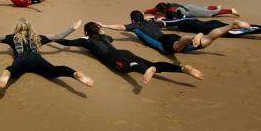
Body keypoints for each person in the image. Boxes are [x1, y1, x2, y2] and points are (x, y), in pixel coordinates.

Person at [56, 21, 203, 85]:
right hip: (123, 52)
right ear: (98, 30)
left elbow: (67, 43)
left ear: (87, 32)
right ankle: (182, 69)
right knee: (151, 64)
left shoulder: (85, 40)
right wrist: (103, 31)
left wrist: (53, 40)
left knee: (127, 67)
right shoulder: (105, 37)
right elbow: (110, 38)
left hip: (113, 57)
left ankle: (147, 70)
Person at [0, 18, 92, 89]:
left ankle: (5, 76)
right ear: (30, 28)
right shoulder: (38, 38)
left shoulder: (11, 38)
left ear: (17, 28)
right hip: (36, 59)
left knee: (12, 70)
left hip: (22, 60)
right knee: (53, 71)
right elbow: (57, 36)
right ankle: (75, 74)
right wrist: (73, 28)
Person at [99, 11, 251, 54]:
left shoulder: (136, 26)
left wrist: (104, 25)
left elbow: (121, 27)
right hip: (171, 36)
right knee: (207, 41)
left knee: (173, 49)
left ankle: (191, 38)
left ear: (132, 20)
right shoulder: (152, 22)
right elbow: (162, 21)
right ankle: (231, 25)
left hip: (165, 42)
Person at [161, 11, 261, 38]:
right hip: (211, 24)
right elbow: (170, 21)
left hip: (209, 27)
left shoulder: (180, 20)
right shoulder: (185, 17)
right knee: (236, 28)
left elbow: (166, 22)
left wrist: (159, 20)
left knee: (235, 32)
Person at [144, 2, 239, 19]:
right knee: (203, 9)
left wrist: (153, 16)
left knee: (209, 14)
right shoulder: (165, 5)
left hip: (190, 12)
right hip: (188, 6)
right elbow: (152, 10)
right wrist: (145, 12)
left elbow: (161, 16)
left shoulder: (170, 12)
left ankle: (230, 10)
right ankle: (215, 6)